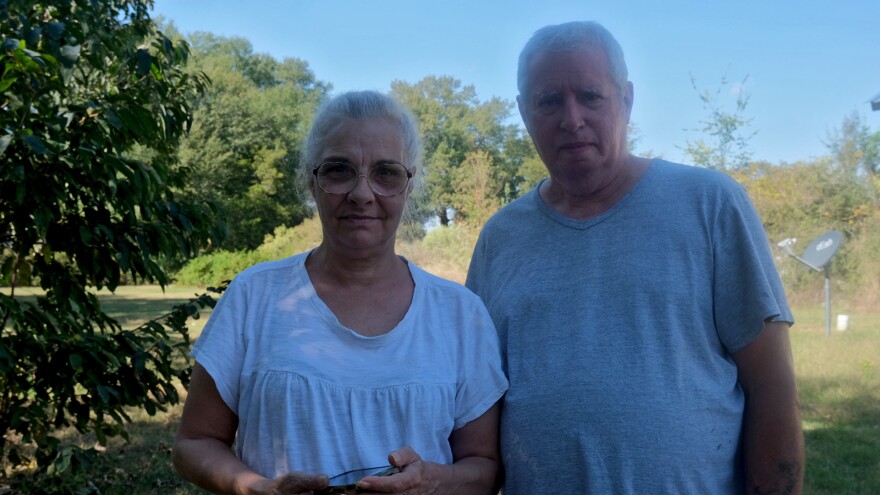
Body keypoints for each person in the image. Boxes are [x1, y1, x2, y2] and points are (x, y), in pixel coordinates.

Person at [466, 21, 804, 494]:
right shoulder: (500, 238)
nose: (571, 118)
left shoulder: (710, 204)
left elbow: (772, 390)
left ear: (625, 99)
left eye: (590, 95)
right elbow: (477, 402)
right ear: (524, 112)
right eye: (548, 101)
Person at [173, 90, 508, 495]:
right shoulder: (254, 295)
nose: (362, 194)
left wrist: (435, 482)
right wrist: (256, 487)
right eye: (339, 170)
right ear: (311, 181)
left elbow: (485, 468)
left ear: (409, 185)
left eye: (386, 172)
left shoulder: (460, 314)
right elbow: (194, 443)